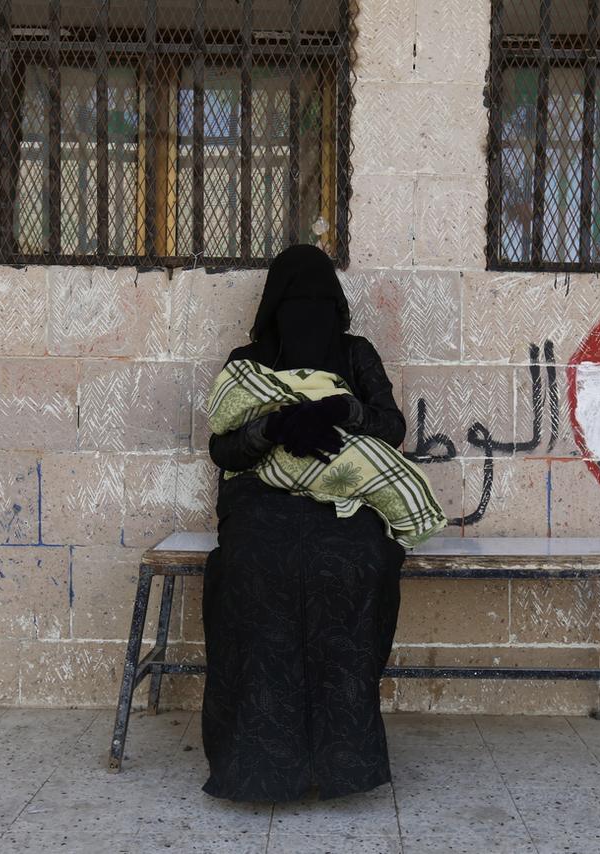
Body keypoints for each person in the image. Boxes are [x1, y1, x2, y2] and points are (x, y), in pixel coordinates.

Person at [201, 244, 407, 803]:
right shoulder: (248, 361)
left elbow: (392, 426)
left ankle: (341, 759)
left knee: (355, 563)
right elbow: (222, 449)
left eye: (319, 299)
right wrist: (273, 429)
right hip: (261, 499)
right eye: (296, 300)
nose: (308, 311)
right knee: (253, 568)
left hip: (343, 497)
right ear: (275, 306)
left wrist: (343, 410)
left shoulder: (356, 353)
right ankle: (256, 760)